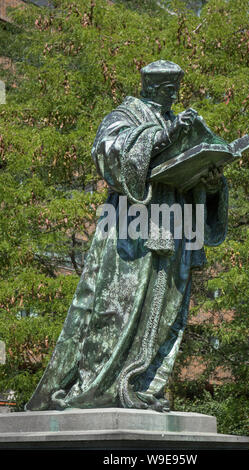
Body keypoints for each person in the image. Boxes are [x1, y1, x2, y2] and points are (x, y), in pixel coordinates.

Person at [25, 60, 228, 412]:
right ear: (149, 88)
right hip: (131, 228)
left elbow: (192, 174)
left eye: (175, 90)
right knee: (117, 309)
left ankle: (145, 385)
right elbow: (107, 153)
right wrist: (161, 136)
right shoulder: (126, 114)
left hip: (177, 226)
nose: (172, 96)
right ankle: (96, 387)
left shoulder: (180, 121)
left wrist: (211, 182)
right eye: (166, 90)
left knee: (166, 310)